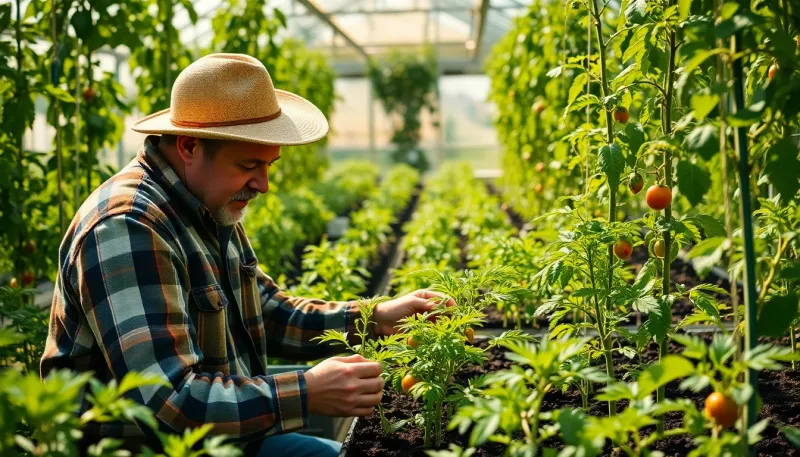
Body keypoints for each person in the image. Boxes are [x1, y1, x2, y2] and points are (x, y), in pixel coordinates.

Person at [40, 53, 453, 457]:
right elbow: (173, 401)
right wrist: (307, 392)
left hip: (232, 440)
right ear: (188, 146)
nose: (264, 184)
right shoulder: (127, 228)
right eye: (250, 164)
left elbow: (267, 311)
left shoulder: (207, 203)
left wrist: (375, 317)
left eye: (269, 165)